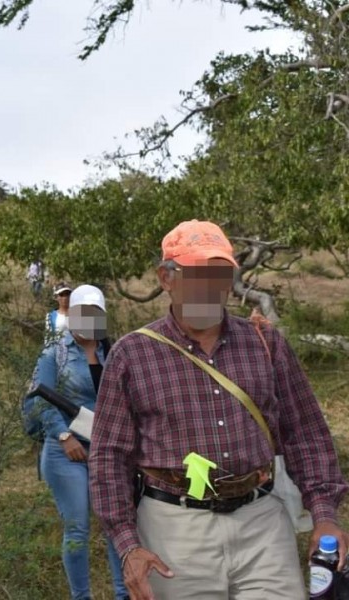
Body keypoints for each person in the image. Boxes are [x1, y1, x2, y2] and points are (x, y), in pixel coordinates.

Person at [89, 220, 349, 600]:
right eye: (197, 275)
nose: (210, 289)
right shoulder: (132, 353)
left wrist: (325, 515)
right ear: (167, 278)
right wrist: (128, 545)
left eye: (220, 275)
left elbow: (305, 433)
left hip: (262, 521)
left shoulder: (265, 343)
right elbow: (109, 457)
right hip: (172, 528)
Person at [29, 284, 127, 600]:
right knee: (78, 528)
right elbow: (39, 400)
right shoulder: (54, 353)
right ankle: (80, 596)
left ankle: (123, 593)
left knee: (116, 525)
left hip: (106, 448)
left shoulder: (111, 352)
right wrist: (64, 435)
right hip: (64, 451)